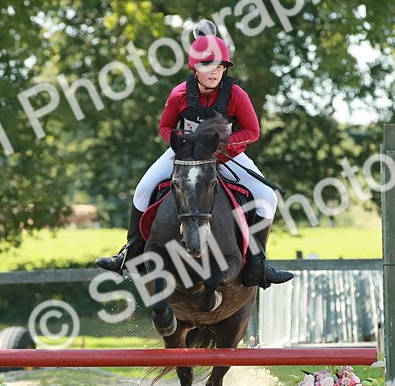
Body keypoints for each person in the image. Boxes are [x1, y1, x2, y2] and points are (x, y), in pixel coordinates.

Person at [96, 21, 293, 288]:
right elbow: (164, 127)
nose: (215, 73)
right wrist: (181, 145)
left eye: (220, 68)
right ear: (195, 69)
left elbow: (253, 131)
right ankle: (130, 254)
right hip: (186, 156)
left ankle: (257, 265)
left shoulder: (236, 94)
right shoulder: (179, 94)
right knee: (142, 190)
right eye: (208, 67)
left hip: (227, 155)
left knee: (267, 197)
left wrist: (222, 146)